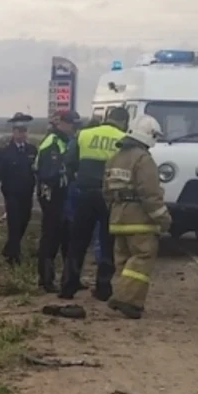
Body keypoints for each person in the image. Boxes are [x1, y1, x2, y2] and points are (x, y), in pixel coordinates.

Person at [104, 114, 171, 320]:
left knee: (123, 261)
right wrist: (163, 218)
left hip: (118, 218)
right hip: (140, 220)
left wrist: (114, 211)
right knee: (142, 258)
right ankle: (127, 300)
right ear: (149, 135)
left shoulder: (115, 157)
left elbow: (106, 190)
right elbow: (150, 193)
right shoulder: (143, 159)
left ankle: (121, 294)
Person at [60, 106, 129, 300]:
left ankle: (68, 285)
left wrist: (79, 176)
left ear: (107, 117)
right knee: (107, 242)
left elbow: (69, 160)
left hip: (85, 193)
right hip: (109, 196)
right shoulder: (122, 139)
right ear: (124, 122)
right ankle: (103, 288)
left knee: (78, 241)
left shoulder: (84, 134)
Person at [34, 110, 79, 292]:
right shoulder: (52, 142)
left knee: (69, 240)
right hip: (53, 197)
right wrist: (68, 173)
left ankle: (70, 279)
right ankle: (46, 280)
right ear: (60, 123)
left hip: (67, 198)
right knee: (51, 239)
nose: (74, 128)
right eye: (71, 124)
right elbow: (49, 173)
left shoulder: (67, 141)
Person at [0, 112, 37, 265]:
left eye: (24, 131)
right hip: (11, 193)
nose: (21, 134)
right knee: (14, 224)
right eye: (18, 131)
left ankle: (9, 249)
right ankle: (14, 257)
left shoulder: (32, 150)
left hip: (27, 193)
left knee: (24, 221)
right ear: (13, 132)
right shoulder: (5, 151)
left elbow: (37, 171)